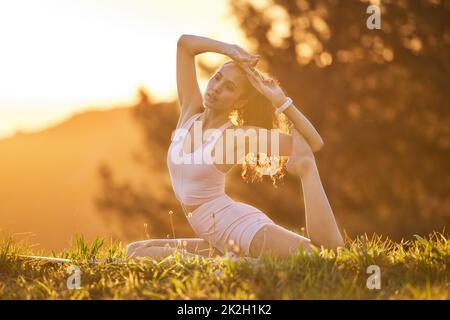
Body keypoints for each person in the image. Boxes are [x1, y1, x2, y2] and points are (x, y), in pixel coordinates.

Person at [126, 34, 344, 261]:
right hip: (216, 237)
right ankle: (231, 262)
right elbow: (184, 45)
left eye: (229, 87)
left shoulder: (236, 137)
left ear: (239, 102)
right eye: (217, 77)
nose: (216, 87)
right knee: (135, 251)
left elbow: (313, 142)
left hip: (241, 230)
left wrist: (280, 101)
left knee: (321, 257)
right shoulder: (190, 113)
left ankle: (230, 263)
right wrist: (230, 50)